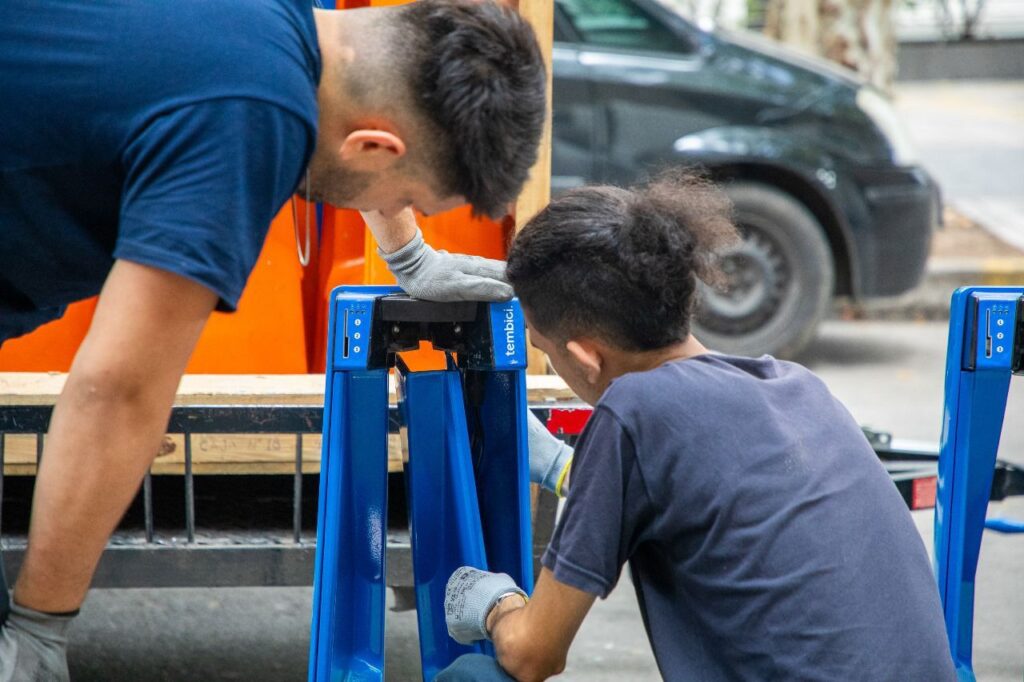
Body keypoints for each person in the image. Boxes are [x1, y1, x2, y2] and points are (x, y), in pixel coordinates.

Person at [0, 0, 545, 677]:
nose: (407, 212)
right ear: (374, 147)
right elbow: (118, 391)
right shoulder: (248, 117)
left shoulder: (284, 30)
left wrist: (408, 255)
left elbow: (358, 112)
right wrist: (38, 626)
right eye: (413, 199)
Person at [440, 171, 957, 681]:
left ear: (585, 357)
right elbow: (695, 490)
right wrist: (560, 466)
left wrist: (497, 604)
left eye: (541, 346)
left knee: (473, 676)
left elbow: (535, 655)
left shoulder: (632, 410)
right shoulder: (795, 386)